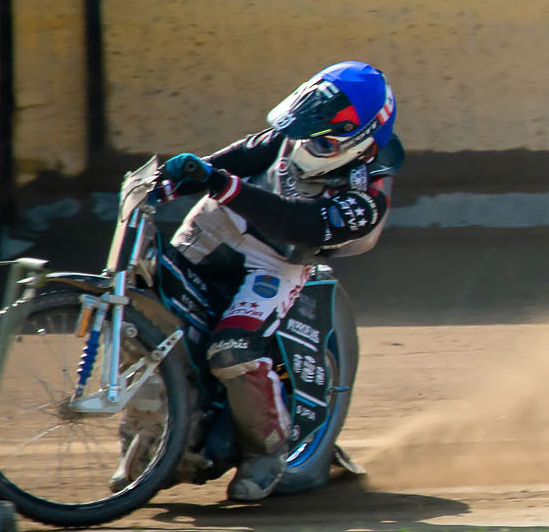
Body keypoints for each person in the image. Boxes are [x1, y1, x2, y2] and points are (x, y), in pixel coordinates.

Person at [142, 62, 401, 503]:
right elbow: (248, 153)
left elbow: (297, 224)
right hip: (216, 225)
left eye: (317, 133)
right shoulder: (300, 135)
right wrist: (178, 179)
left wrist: (222, 185)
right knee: (147, 302)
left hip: (277, 260)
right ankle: (149, 440)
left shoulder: (368, 194)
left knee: (232, 351)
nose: (301, 140)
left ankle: (266, 453)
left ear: (357, 135)